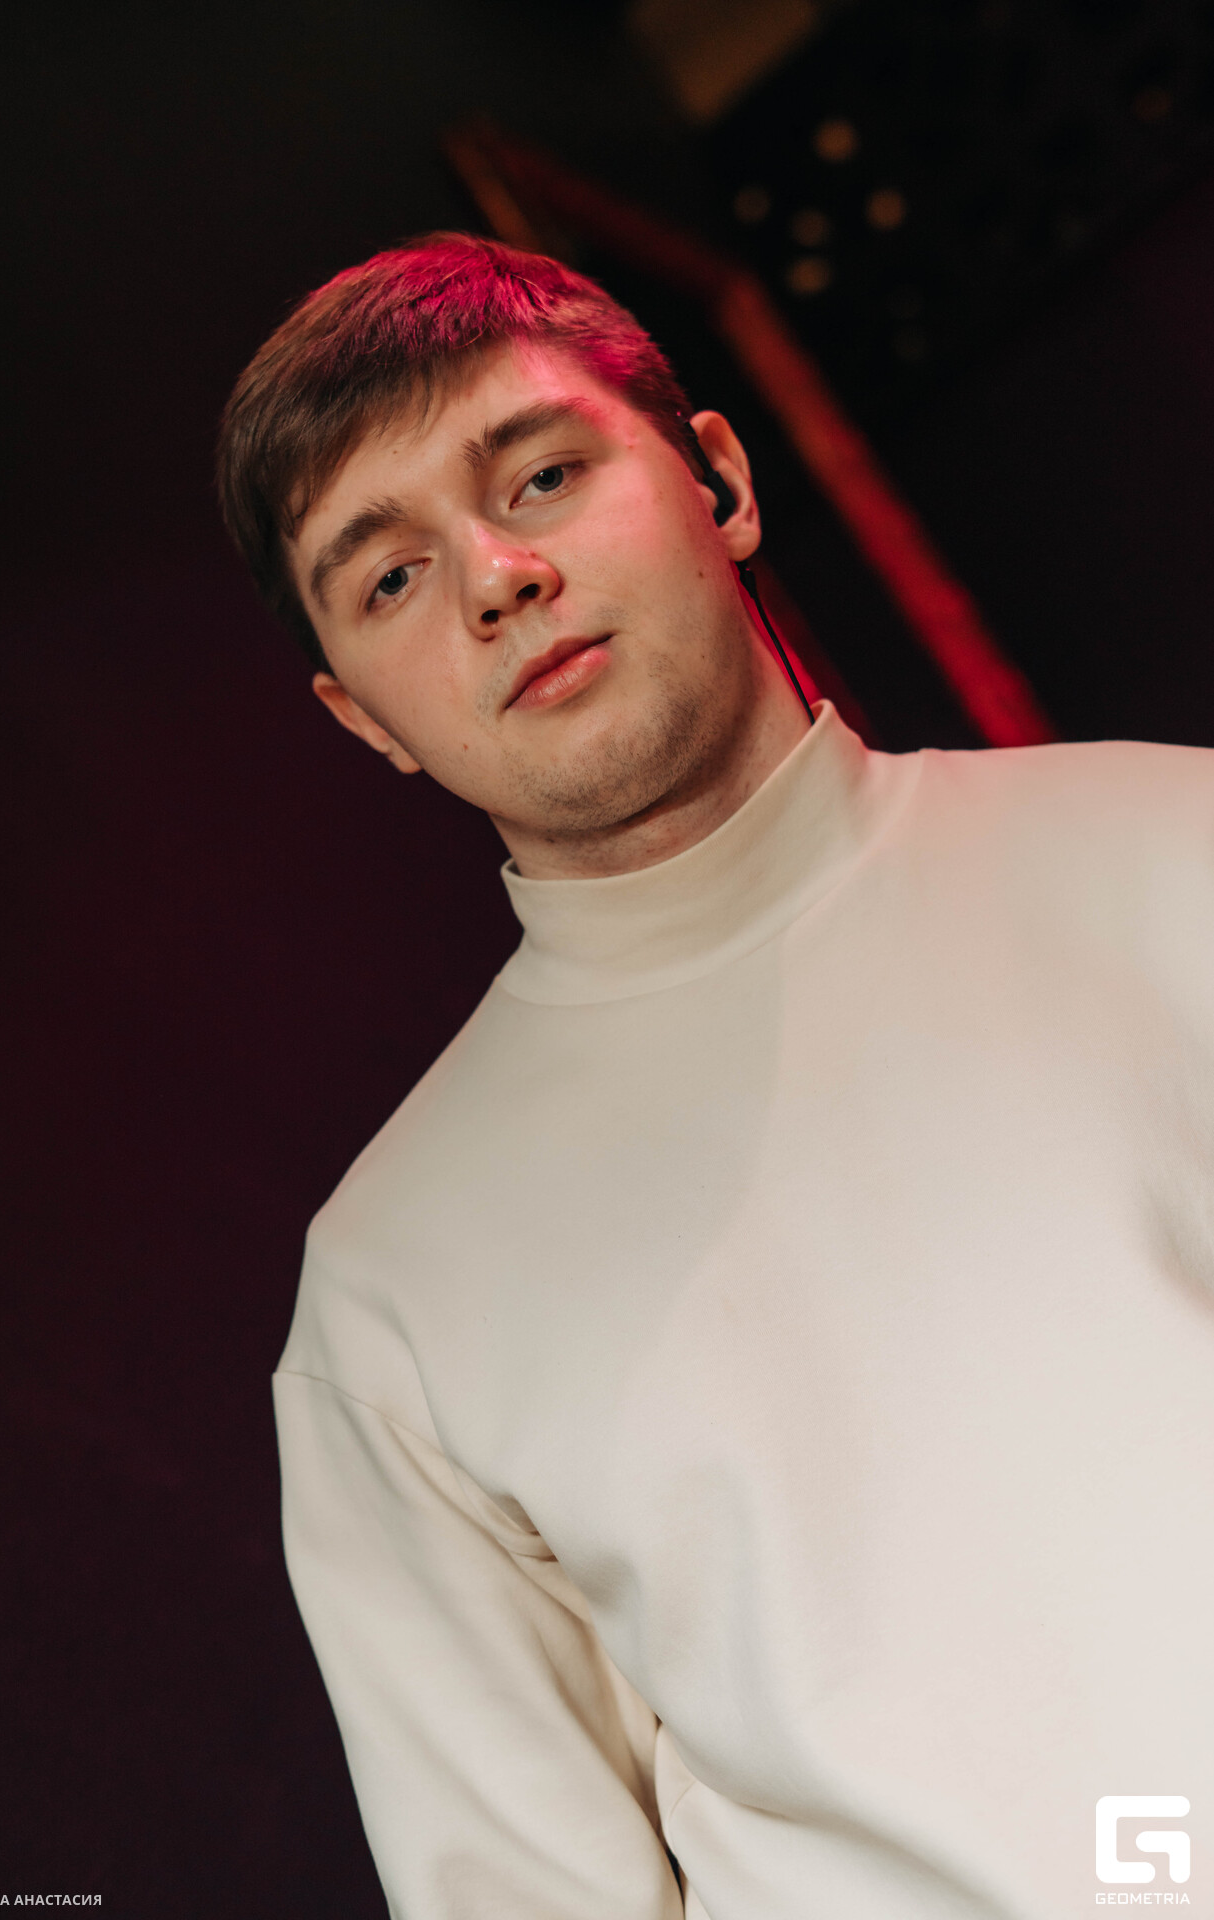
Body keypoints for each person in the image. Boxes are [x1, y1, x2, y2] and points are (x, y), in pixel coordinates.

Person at [217, 234, 1214, 1919]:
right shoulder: (391, 1303)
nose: (493, 578)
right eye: (386, 577)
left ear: (718, 480)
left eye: (540, 476)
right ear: (359, 720)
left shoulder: (1180, 854)